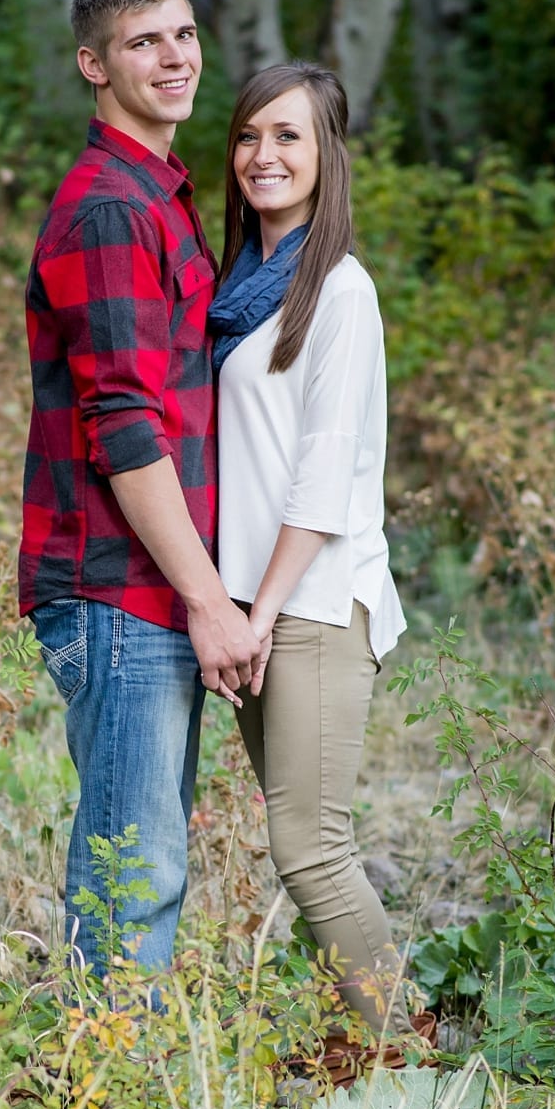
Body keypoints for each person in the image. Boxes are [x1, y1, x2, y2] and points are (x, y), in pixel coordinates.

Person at [19, 0, 261, 975]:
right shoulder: (111, 209)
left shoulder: (157, 195)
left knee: (147, 860)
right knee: (132, 871)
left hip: (151, 589)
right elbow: (124, 426)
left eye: (184, 34)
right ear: (93, 64)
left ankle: (119, 1099)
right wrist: (208, 598)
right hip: (125, 590)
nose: (173, 57)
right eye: (142, 41)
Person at [209, 62, 410, 1043]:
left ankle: (409, 1079)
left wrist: (255, 614)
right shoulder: (240, 286)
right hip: (256, 603)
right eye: (249, 136)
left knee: (312, 850)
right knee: (303, 848)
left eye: (288, 136)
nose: (264, 156)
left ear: (329, 155)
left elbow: (324, 484)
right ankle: (354, 1064)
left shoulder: (341, 291)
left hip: (316, 605)